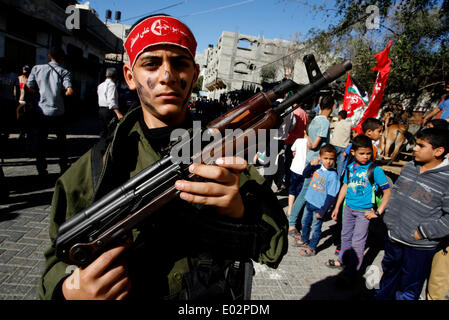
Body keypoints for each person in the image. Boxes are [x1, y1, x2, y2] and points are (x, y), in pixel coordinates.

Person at [38, 14, 288, 300]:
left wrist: (238, 212)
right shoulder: (91, 170)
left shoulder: (223, 157)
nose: (167, 76)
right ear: (130, 77)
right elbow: (57, 261)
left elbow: (274, 250)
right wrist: (69, 292)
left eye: (179, 64)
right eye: (151, 63)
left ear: (194, 76)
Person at [375, 128, 449, 300]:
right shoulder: (409, 167)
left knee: (408, 289)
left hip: (418, 247)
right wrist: (390, 221)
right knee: (387, 279)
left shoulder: (446, 179)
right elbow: (396, 194)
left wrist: (422, 232)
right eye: (416, 144)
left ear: (439, 151)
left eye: (421, 145)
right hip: (394, 238)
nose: (414, 148)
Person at [327, 135, 391, 272]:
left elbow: (387, 192)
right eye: (362, 153)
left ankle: (352, 272)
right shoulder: (351, 168)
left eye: (369, 153)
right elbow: (345, 186)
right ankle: (342, 261)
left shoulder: (376, 170)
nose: (366, 157)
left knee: (358, 242)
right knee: (345, 235)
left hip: (365, 213)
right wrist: (337, 207)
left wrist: (378, 212)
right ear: (353, 152)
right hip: (349, 208)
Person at [288, 95, 334, 237]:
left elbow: (307, 138)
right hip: (317, 161)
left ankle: (297, 222)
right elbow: (315, 145)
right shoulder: (325, 122)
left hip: (310, 159)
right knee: (306, 194)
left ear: (319, 106)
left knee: (305, 192)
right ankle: (294, 223)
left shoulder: (314, 120)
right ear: (332, 107)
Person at [26, 46, 74, 175]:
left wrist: (40, 93)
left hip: (42, 111)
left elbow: (29, 87)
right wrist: (67, 90)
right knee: (61, 141)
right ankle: (63, 166)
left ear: (49, 56)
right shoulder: (64, 72)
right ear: (62, 59)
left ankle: (41, 168)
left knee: (41, 141)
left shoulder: (37, 69)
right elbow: (68, 88)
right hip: (58, 112)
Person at [292, 145, 340, 256]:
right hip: (309, 202)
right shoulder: (317, 167)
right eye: (325, 158)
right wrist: (310, 165)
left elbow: (331, 196)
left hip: (319, 207)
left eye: (331, 159)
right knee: (305, 223)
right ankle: (304, 239)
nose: (328, 161)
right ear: (320, 157)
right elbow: (305, 174)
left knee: (316, 228)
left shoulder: (333, 176)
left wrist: (323, 211)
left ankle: (312, 248)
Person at [285, 136, 307, 219]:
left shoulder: (298, 140)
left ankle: (290, 209)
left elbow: (292, 149)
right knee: (299, 192)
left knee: (292, 190)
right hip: (304, 171)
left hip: (295, 169)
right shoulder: (312, 144)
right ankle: (297, 211)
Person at [97, 67, 123, 138]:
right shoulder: (112, 85)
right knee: (111, 132)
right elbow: (111, 100)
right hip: (108, 111)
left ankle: (102, 147)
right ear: (115, 76)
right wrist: (118, 113)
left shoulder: (100, 85)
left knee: (104, 131)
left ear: (106, 75)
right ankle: (108, 148)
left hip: (101, 110)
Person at [330, 110, 352, 178]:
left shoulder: (337, 123)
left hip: (335, 145)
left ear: (339, 116)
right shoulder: (349, 124)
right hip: (344, 147)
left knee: (331, 162)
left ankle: (330, 177)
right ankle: (338, 180)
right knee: (340, 165)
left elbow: (329, 126)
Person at [16, 65, 32, 140]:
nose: (25, 72)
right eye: (24, 70)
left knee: (27, 118)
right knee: (20, 117)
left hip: (28, 101)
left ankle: (25, 132)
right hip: (20, 100)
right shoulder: (18, 78)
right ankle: (21, 132)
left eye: (27, 70)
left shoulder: (31, 80)